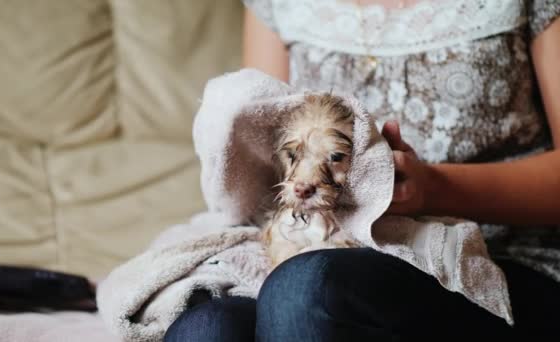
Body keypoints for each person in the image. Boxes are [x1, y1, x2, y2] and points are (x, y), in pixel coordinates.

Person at [164, 1, 560, 340]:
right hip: (329, 243)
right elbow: (264, 147)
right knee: (205, 326)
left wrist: (433, 189)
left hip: (503, 255)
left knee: (302, 293)